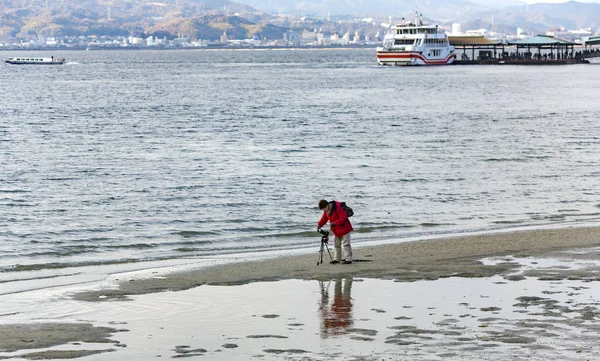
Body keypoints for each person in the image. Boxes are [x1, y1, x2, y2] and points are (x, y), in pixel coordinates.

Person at [317, 199, 353, 264]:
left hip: (344, 228)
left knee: (346, 244)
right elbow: (324, 219)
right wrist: (319, 225)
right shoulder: (327, 211)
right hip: (336, 230)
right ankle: (337, 259)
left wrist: (335, 223)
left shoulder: (337, 208)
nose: (324, 210)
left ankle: (348, 259)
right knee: (337, 245)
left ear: (327, 205)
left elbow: (343, 217)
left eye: (324, 208)